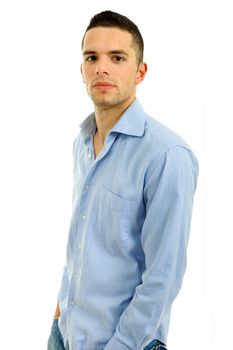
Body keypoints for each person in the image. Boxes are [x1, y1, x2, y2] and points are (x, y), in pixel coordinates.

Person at [47, 10, 198, 350]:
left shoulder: (166, 154)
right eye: (92, 57)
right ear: (81, 69)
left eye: (117, 58)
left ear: (140, 71)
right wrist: (58, 318)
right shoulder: (82, 143)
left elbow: (163, 276)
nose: (102, 67)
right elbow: (82, 244)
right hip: (65, 337)